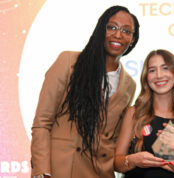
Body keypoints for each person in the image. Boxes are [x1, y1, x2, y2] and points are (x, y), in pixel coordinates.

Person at [30, 5, 140, 178]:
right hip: (61, 168)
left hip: (99, 171)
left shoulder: (129, 85)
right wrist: (41, 171)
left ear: (132, 39)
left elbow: (114, 138)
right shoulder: (69, 62)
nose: (118, 35)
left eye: (126, 31)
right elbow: (42, 122)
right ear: (100, 29)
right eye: (111, 27)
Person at [114, 49, 174, 178]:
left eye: (165, 68)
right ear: (146, 77)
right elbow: (117, 163)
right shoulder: (134, 113)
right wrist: (134, 160)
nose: (159, 75)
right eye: (152, 70)